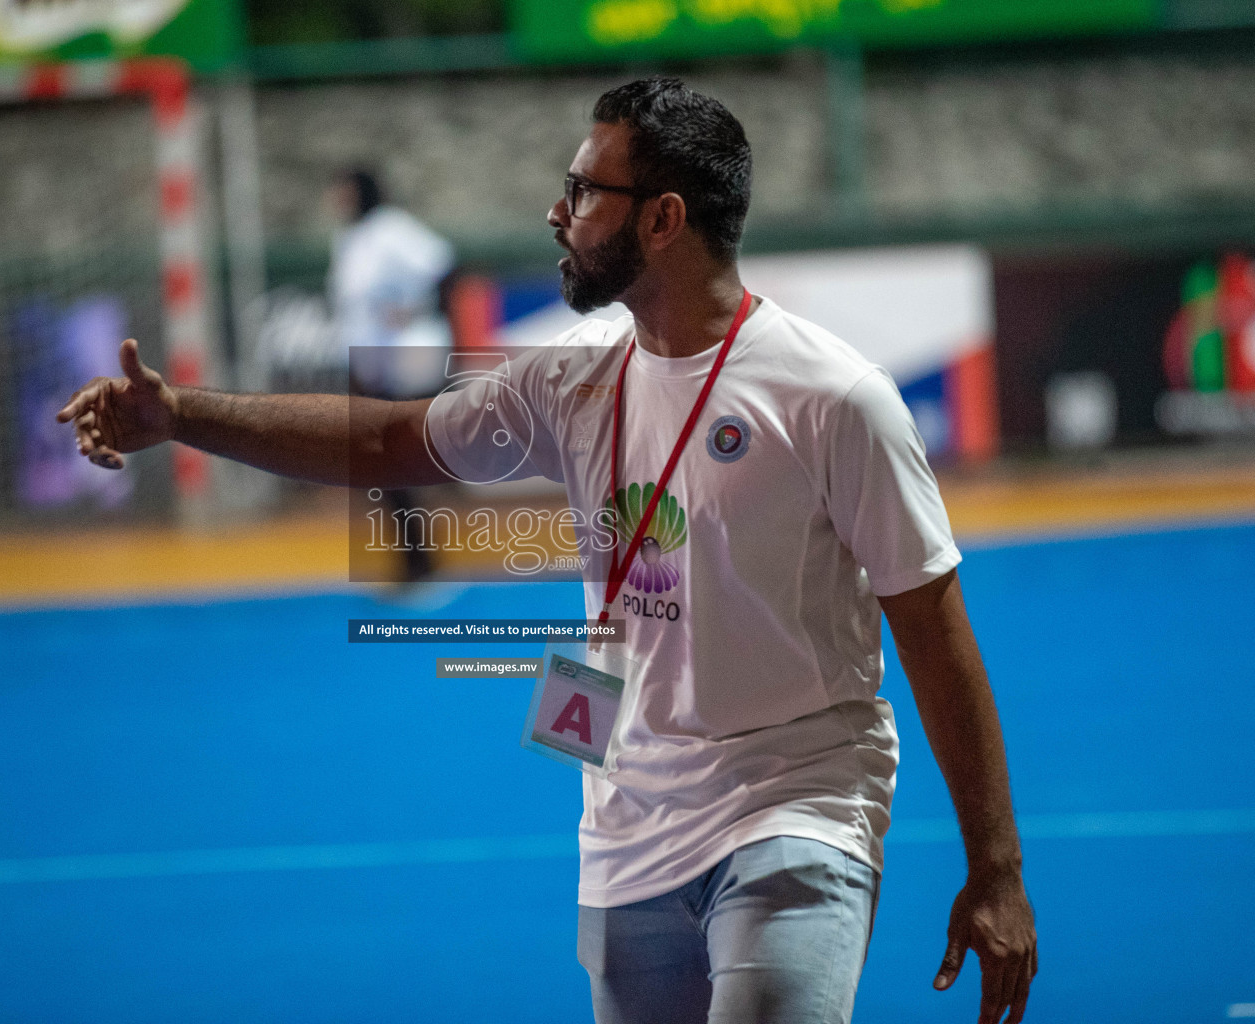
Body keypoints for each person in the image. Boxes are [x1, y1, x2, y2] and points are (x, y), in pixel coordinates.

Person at [59, 77, 1037, 1024]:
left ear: (661, 219)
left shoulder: (833, 397)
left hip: (798, 798)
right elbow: (390, 440)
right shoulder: (563, 385)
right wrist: (181, 414)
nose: (555, 210)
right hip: (628, 825)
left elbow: (929, 620)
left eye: (582, 190)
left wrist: (995, 869)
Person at [326, 166, 455, 581]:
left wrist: (416, 310)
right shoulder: (350, 239)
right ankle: (415, 556)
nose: (337, 200)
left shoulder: (392, 229)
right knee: (382, 464)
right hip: (375, 368)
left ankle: (420, 559)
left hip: (412, 361)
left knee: (392, 459)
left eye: (344, 191)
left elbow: (445, 266)